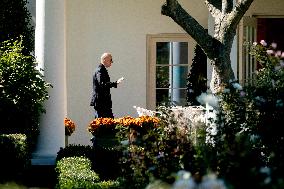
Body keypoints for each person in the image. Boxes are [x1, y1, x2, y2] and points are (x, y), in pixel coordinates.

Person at [90, 52, 124, 118]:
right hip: (101, 103)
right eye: (111, 60)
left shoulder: (101, 69)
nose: (112, 62)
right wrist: (115, 83)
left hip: (103, 102)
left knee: (107, 123)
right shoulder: (100, 70)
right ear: (105, 60)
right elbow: (102, 84)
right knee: (103, 123)